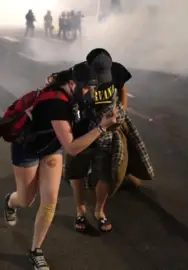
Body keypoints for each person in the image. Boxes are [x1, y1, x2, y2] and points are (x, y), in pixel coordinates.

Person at [3, 69, 119, 270]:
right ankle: (10, 202)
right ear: (74, 84)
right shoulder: (56, 104)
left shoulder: (73, 94)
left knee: (50, 201)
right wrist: (101, 128)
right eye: (87, 89)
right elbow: (73, 148)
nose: (89, 93)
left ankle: (36, 251)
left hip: (52, 146)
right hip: (27, 149)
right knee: (26, 200)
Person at [64, 49, 132, 233]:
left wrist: (123, 111)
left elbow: (123, 89)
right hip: (82, 131)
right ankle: (80, 210)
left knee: (106, 173)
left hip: (107, 129)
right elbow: (63, 91)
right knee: (77, 171)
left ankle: (99, 211)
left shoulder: (116, 70)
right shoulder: (78, 72)